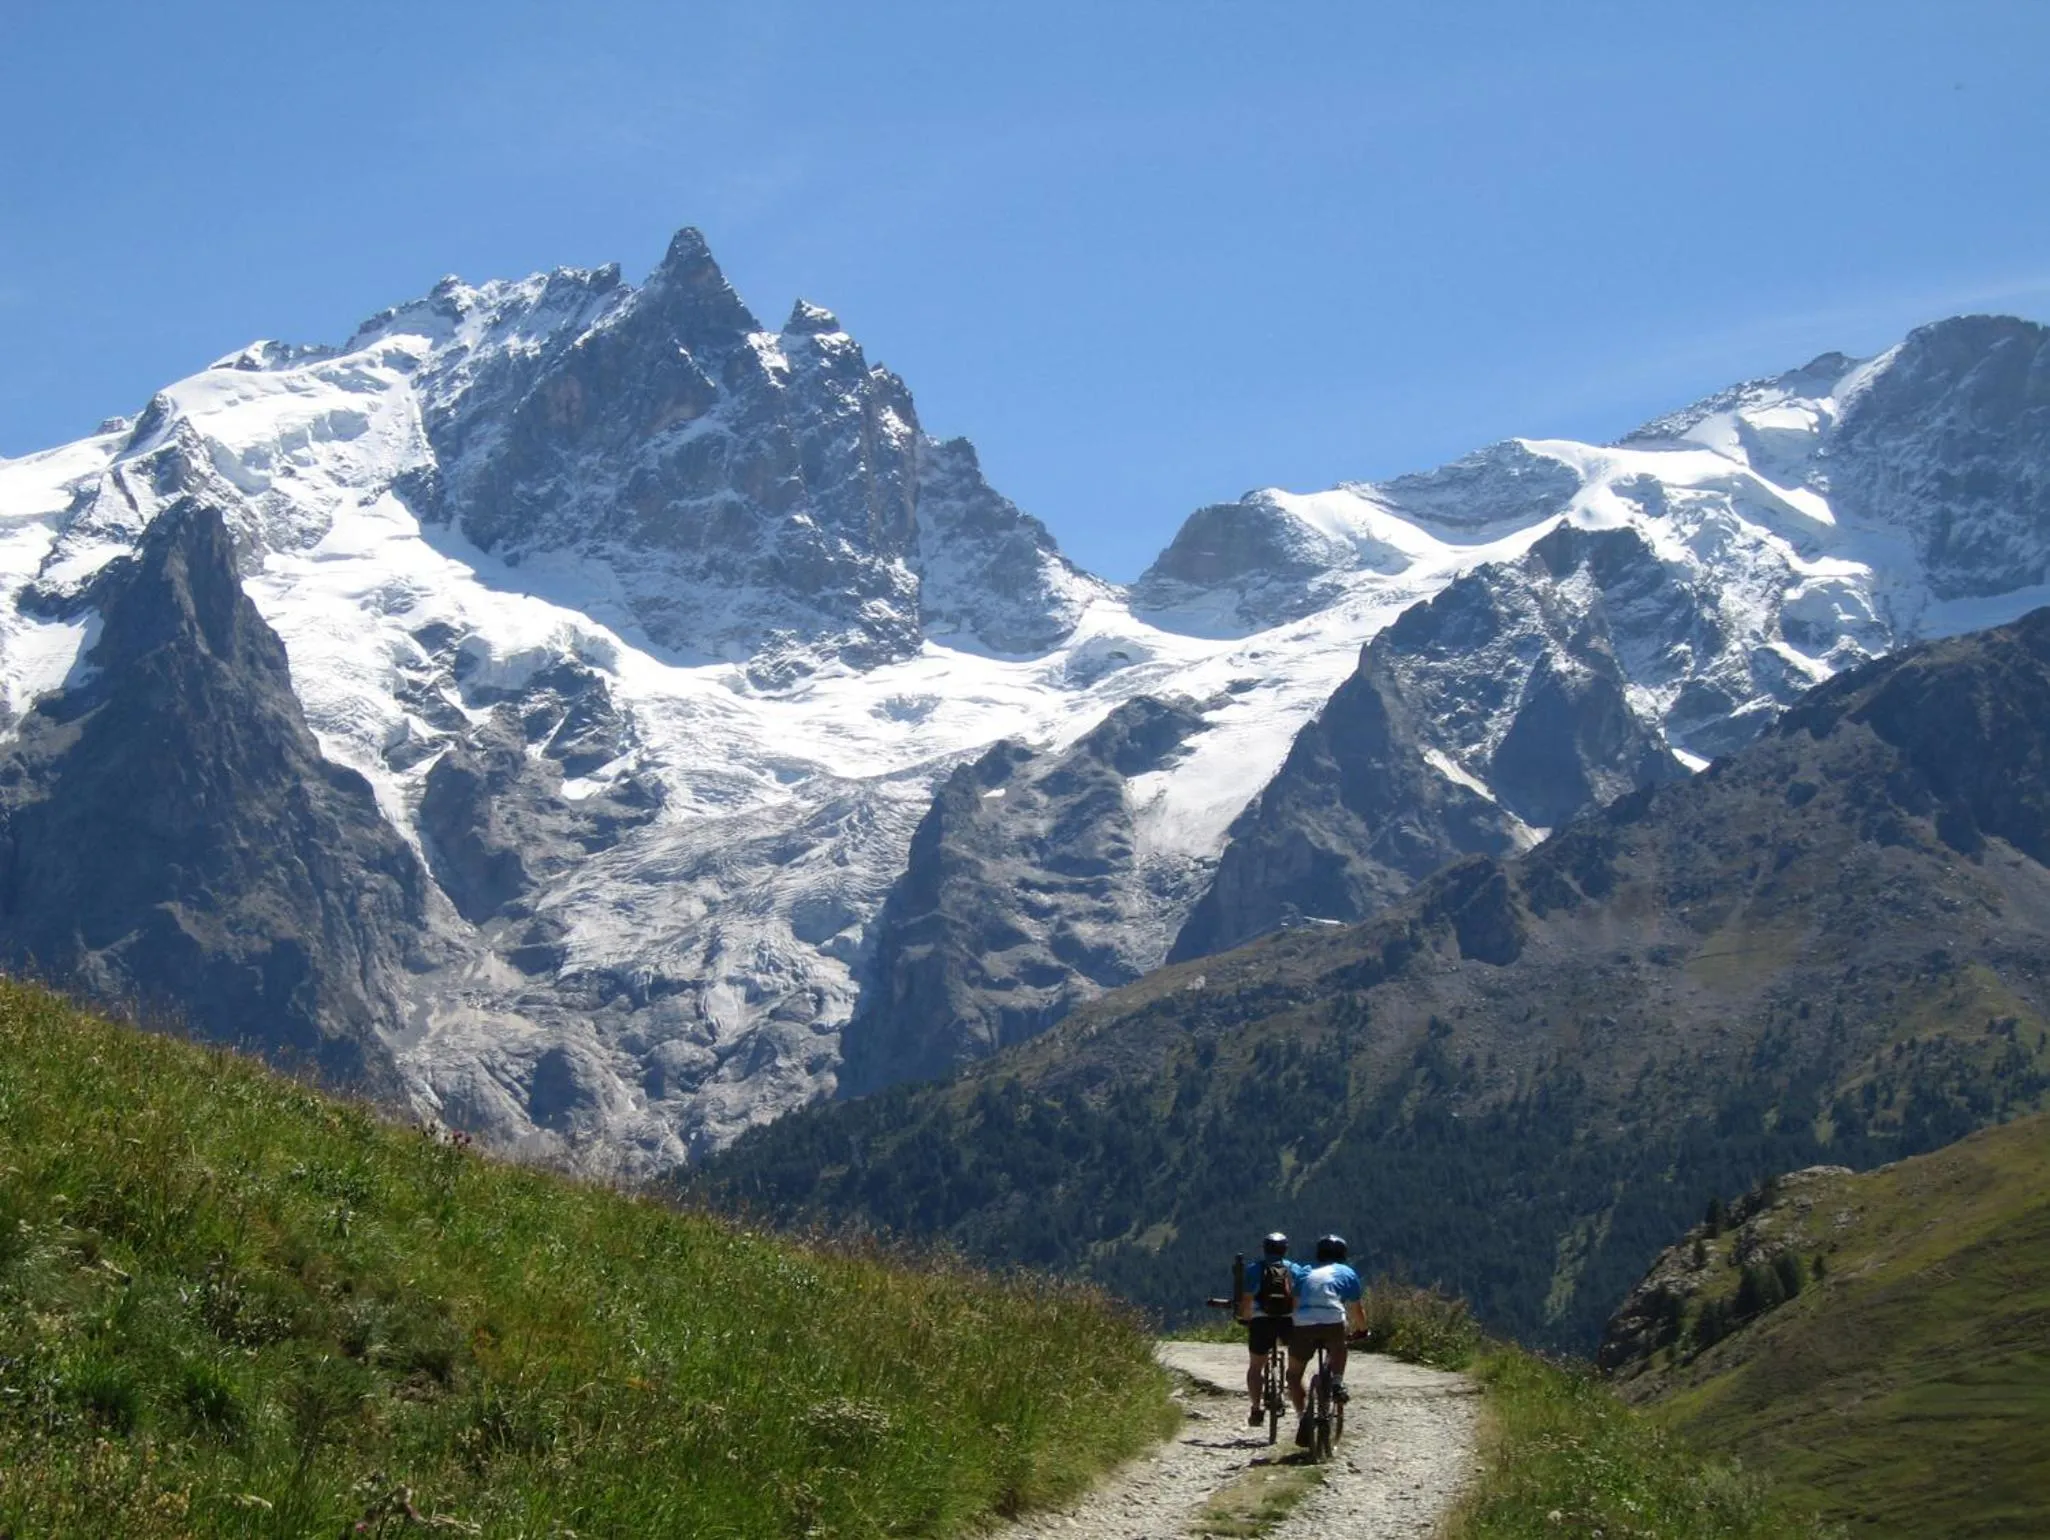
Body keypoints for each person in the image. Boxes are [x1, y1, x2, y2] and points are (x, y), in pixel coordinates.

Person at [1287, 1234, 1363, 1444]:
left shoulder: (1305, 1272)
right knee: (1339, 1346)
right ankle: (1337, 1382)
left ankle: (1303, 1417)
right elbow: (1357, 1310)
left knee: (1294, 1375)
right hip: (1332, 1321)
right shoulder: (1347, 1273)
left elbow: (1294, 1305)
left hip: (1303, 1324)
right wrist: (1363, 1330)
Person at [1237, 1231, 1297, 1426]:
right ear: (1285, 1250)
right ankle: (1302, 1411)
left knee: (1256, 1367)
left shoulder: (1254, 1269)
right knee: (1297, 1366)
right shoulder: (1295, 1269)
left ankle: (1256, 1409)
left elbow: (1247, 1301)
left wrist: (1245, 1318)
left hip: (1262, 1320)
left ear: (1264, 1249)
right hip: (1288, 1321)